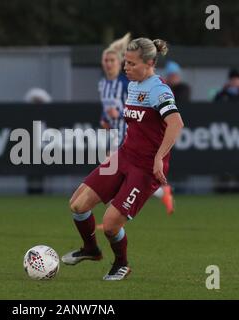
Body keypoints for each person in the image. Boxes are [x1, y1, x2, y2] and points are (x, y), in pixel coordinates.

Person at [62, 37, 184, 280]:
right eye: (125, 63)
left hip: (146, 167)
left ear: (149, 63)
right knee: (77, 205)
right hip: (125, 156)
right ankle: (91, 250)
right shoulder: (133, 85)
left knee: (110, 225)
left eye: (131, 64)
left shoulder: (158, 90)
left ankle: (121, 264)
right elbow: (138, 124)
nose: (126, 68)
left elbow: (176, 123)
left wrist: (160, 157)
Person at [97, 34, 175, 219]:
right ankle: (160, 194)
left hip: (127, 135)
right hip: (113, 132)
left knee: (109, 169)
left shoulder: (128, 83)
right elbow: (106, 106)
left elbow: (138, 104)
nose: (108, 64)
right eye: (105, 60)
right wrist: (104, 118)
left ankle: (113, 218)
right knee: (110, 170)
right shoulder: (102, 84)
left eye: (112, 60)